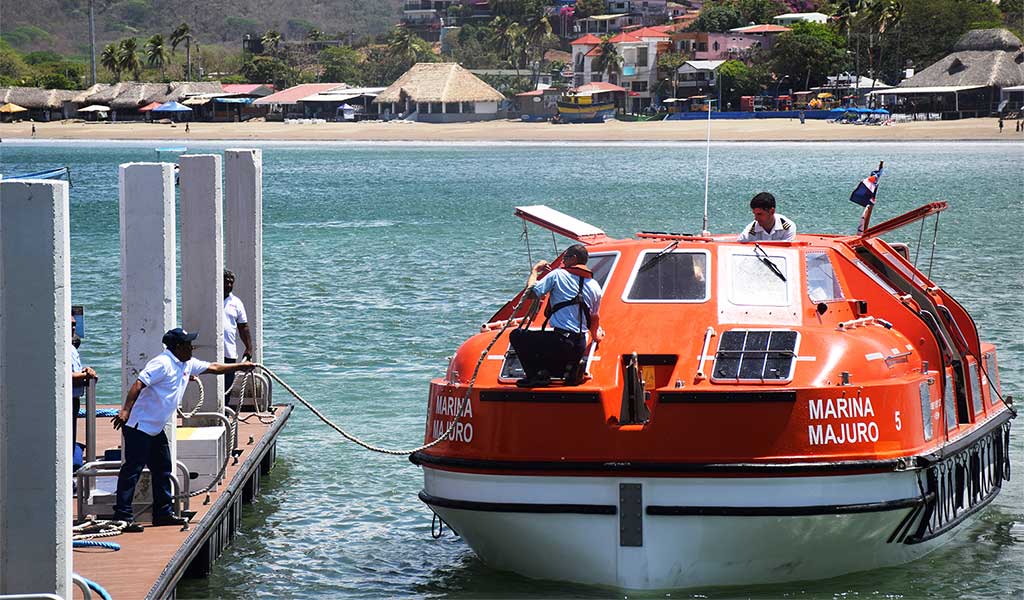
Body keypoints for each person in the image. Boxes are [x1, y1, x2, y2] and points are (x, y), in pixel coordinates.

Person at [111, 328, 254, 528]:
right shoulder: (162, 363)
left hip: (156, 428)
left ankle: (162, 514)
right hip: (139, 426)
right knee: (132, 470)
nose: (192, 347)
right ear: (178, 347)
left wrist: (241, 366)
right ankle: (122, 516)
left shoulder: (186, 363)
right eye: (188, 344)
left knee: (163, 469)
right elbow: (138, 384)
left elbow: (213, 367)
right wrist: (125, 411)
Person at [509, 244, 604, 388]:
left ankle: (536, 377)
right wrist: (596, 336)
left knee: (517, 335)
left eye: (565, 257)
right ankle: (568, 371)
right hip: (579, 344)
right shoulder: (595, 285)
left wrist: (535, 271)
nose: (563, 261)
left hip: (560, 342)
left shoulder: (557, 274)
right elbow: (594, 317)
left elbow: (531, 293)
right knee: (556, 347)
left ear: (573, 258)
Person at [222, 269, 252, 404]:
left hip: (229, 352)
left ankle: (225, 415)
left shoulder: (236, 303)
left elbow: (243, 327)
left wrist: (249, 348)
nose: (228, 285)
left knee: (227, 387)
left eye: (231, 283)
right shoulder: (209, 299)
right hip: (210, 353)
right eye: (225, 282)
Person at [70, 314, 98, 452]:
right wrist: (85, 375)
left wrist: (84, 371)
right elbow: (63, 376)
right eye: (70, 324)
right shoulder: (60, 348)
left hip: (75, 398)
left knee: (71, 435)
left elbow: (73, 370)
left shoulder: (72, 348)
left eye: (74, 324)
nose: (73, 327)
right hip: (67, 399)